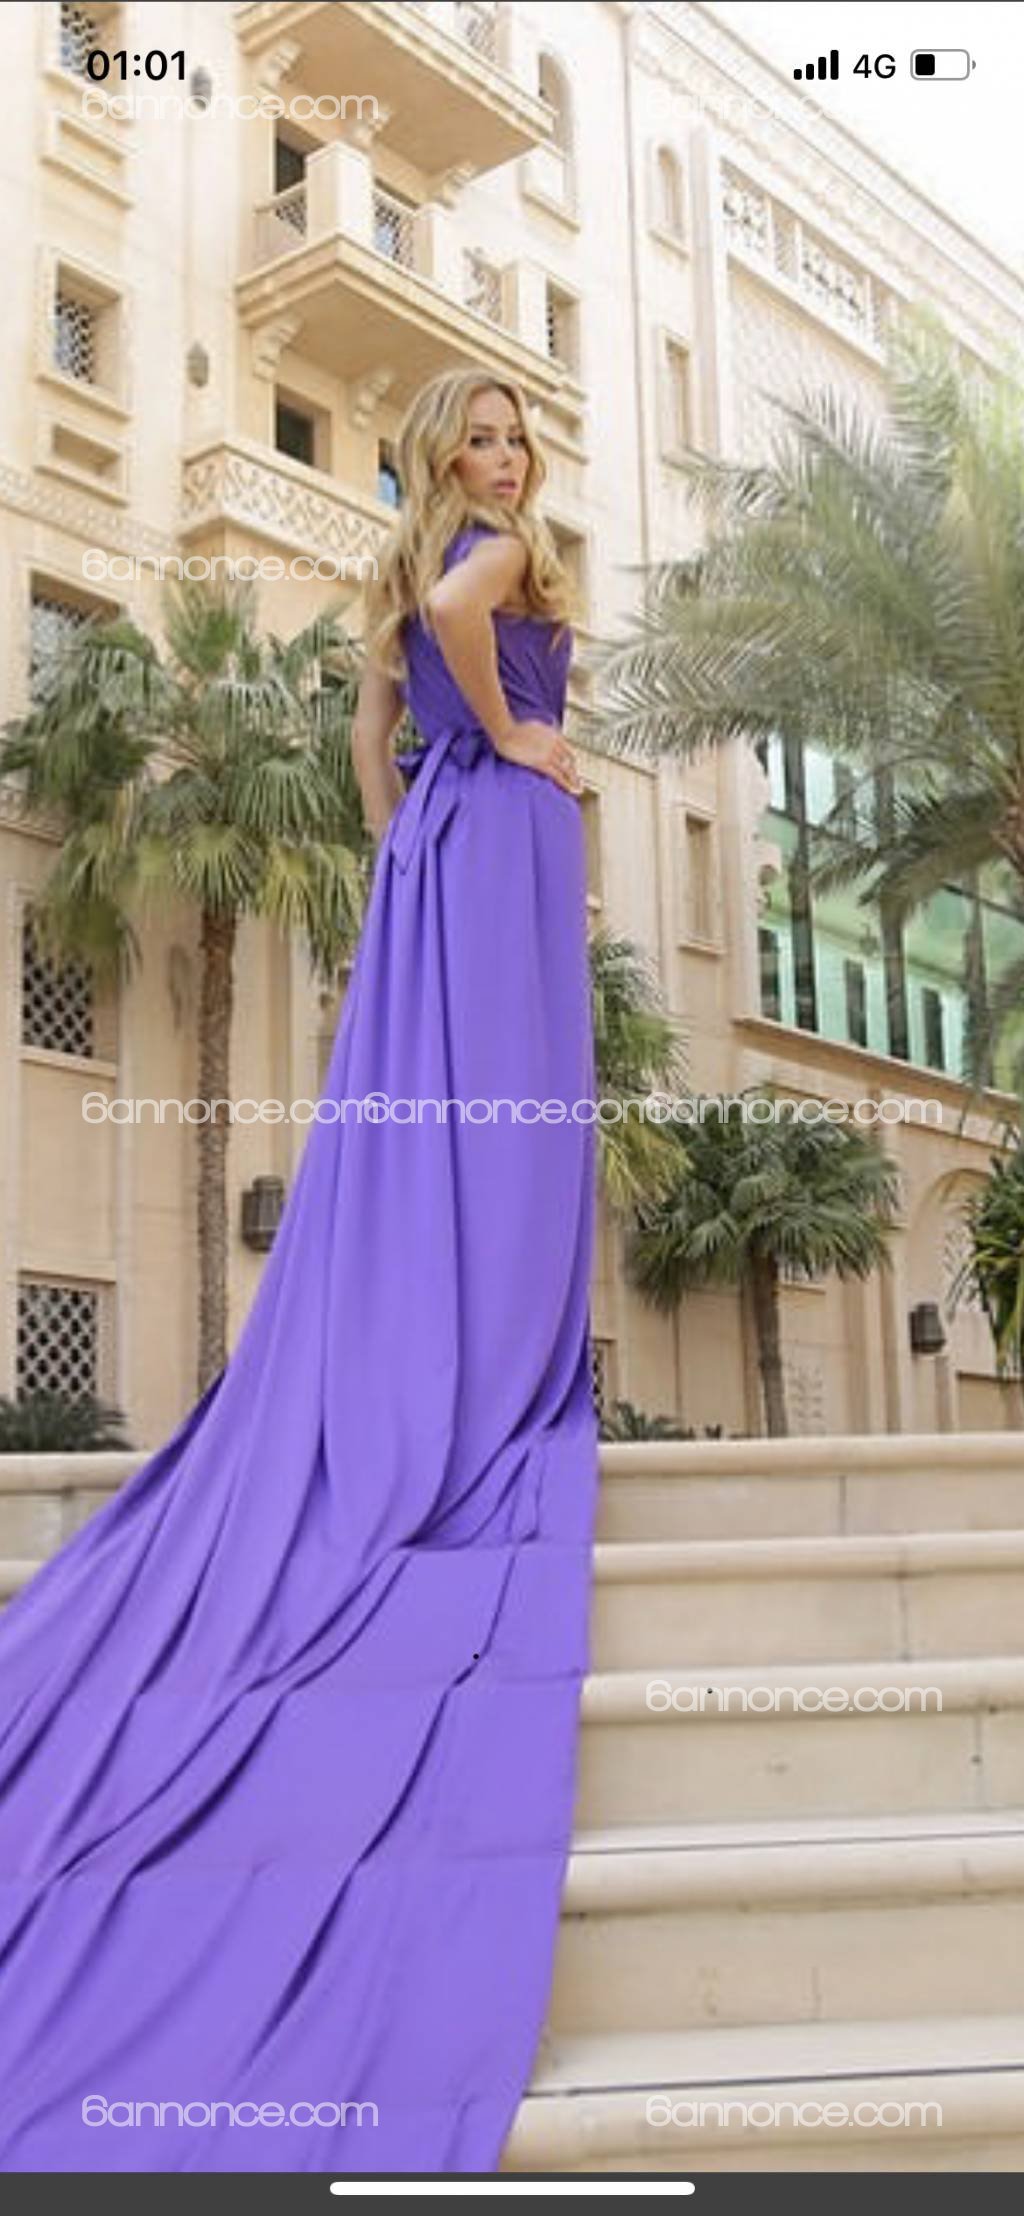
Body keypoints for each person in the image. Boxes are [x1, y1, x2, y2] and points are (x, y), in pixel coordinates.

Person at [0, 366, 600, 2174]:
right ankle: (501, 1382)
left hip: (434, 850)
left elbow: (368, 729)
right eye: (479, 437)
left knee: (449, 1119)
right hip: (495, 837)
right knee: (517, 1120)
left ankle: (453, 1360)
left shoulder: (402, 571)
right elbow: (455, 632)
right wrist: (526, 755)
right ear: (441, 460)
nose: (504, 457)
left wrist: (415, 814)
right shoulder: (488, 558)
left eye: (514, 435)